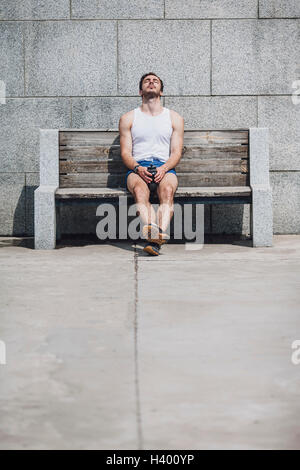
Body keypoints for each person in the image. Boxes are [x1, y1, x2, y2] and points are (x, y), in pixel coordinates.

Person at [119, 72, 184, 255]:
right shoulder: (129, 118)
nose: (151, 82)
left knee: (168, 191)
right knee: (140, 191)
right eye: (147, 81)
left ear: (161, 91)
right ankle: (155, 237)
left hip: (165, 167)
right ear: (140, 91)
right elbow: (125, 153)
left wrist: (165, 168)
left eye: (155, 81)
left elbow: (176, 152)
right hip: (138, 167)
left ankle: (156, 238)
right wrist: (138, 168)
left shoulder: (174, 118)